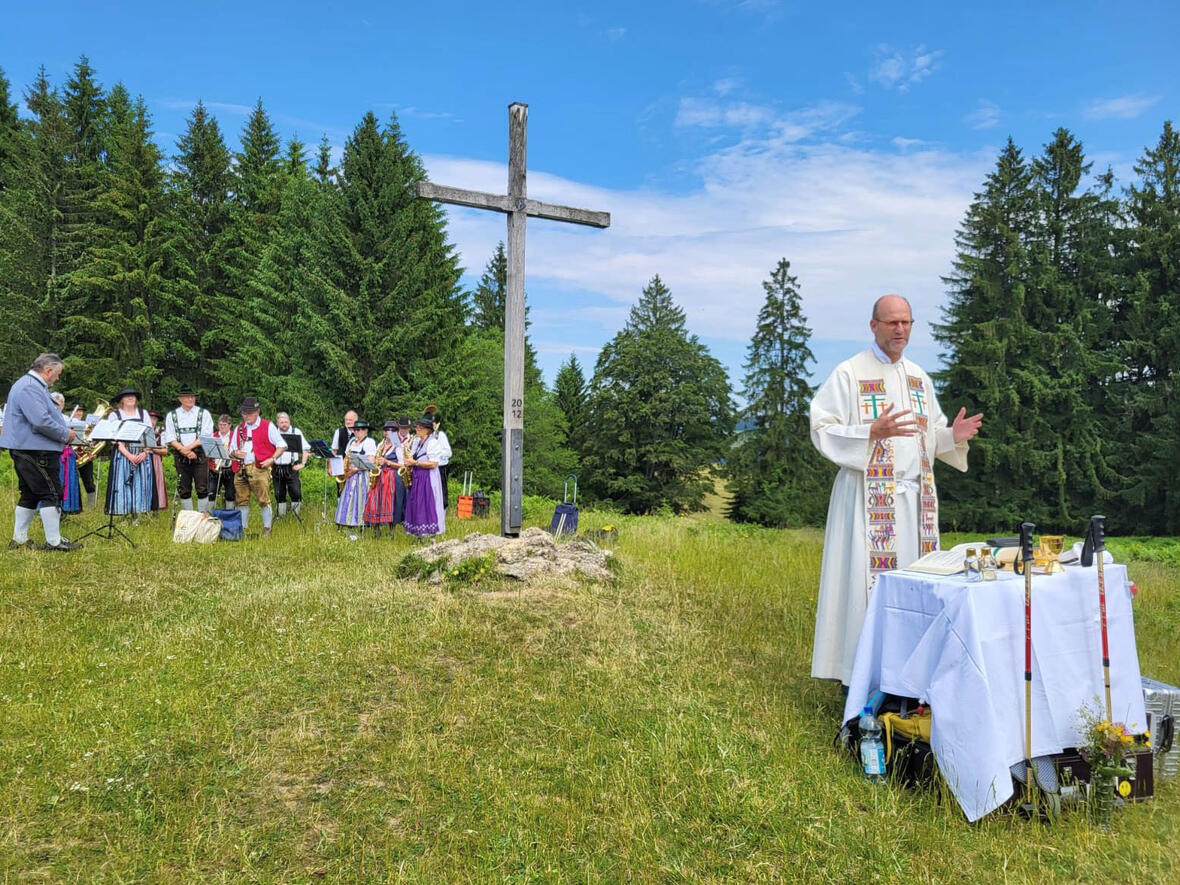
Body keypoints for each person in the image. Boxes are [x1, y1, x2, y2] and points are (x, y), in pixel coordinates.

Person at [809, 294, 983, 686]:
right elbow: (822, 429)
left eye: (906, 322)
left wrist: (950, 436)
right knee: (861, 591)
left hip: (915, 507)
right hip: (866, 504)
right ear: (874, 326)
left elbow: (925, 440)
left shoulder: (919, 378)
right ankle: (857, 680)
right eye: (891, 323)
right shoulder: (850, 373)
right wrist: (869, 432)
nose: (900, 329)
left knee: (914, 589)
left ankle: (908, 678)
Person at [0, 353, 81, 551]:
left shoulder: (28, 385)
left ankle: (19, 540)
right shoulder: (30, 387)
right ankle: (54, 541)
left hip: (28, 448)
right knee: (51, 493)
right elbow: (41, 421)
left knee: (29, 494)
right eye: (58, 373)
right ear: (48, 370)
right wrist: (65, 435)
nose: (58, 378)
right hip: (36, 450)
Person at [229, 396, 286, 537]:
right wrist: (235, 453)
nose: (246, 416)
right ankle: (243, 529)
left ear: (257, 412)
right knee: (241, 500)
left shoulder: (267, 425)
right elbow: (230, 451)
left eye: (249, 413)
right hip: (240, 467)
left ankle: (267, 530)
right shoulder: (239, 428)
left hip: (259, 467)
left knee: (263, 499)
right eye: (244, 413)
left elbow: (282, 445)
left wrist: (271, 459)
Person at [103, 386, 156, 518]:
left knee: (141, 483)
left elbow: (150, 436)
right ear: (121, 400)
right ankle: (123, 511)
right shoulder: (115, 415)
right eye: (127, 396)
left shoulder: (144, 414)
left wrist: (144, 453)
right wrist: (129, 455)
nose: (130, 398)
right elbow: (115, 439)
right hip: (123, 453)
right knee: (123, 483)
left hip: (142, 452)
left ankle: (138, 513)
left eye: (133, 395)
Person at [163, 385, 213, 512]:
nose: (191, 399)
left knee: (202, 487)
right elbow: (170, 437)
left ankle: (202, 518)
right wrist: (183, 451)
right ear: (180, 399)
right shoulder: (172, 415)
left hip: (200, 454)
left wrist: (189, 449)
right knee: (184, 488)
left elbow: (206, 435)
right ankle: (188, 519)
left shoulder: (204, 414)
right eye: (187, 397)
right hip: (180, 455)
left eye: (192, 396)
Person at [403, 414, 446, 538]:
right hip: (417, 476)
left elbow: (433, 463)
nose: (417, 429)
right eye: (416, 427)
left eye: (420, 428)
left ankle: (430, 535)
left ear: (427, 430)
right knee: (416, 505)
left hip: (427, 477)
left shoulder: (432, 443)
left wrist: (415, 462)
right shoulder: (416, 442)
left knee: (427, 504)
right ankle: (418, 534)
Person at [335, 420, 376, 529]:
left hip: (362, 476)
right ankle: (346, 521)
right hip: (350, 475)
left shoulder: (369, 442)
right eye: (355, 430)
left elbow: (371, 462)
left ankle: (361, 523)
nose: (356, 432)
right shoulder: (352, 442)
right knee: (347, 498)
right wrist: (344, 470)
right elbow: (347, 457)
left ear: (366, 431)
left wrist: (354, 470)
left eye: (359, 430)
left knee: (360, 499)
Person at [363, 420, 400, 535]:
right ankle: (376, 529)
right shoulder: (380, 444)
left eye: (391, 430)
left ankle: (391, 531)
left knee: (389, 503)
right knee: (375, 501)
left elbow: (403, 465)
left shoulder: (398, 446)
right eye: (386, 430)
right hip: (379, 475)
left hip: (391, 476)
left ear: (395, 433)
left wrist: (387, 462)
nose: (388, 433)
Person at [273, 411, 310, 518]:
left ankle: (296, 516)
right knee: (279, 493)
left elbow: (306, 448)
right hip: (277, 467)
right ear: (277, 423)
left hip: (291, 466)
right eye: (281, 422)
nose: (284, 424)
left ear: (289, 421)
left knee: (296, 491)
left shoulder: (295, 431)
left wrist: (303, 464)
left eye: (286, 422)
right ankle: (281, 516)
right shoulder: (273, 432)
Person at [51, 392, 83, 515]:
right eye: (53, 403)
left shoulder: (68, 419)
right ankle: (49, 509)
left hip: (66, 453)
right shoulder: (45, 417)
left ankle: (66, 508)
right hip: (52, 453)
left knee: (67, 481)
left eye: (58, 404)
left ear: (63, 406)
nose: (56, 407)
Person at [423, 404, 452, 509]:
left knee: (441, 493)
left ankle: (441, 514)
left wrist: (436, 453)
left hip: (440, 467)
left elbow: (448, 452)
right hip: (428, 467)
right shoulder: (424, 438)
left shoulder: (440, 435)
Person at [207, 414, 236, 510]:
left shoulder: (234, 436)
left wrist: (231, 453)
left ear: (230, 425)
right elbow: (208, 452)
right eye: (220, 425)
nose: (222, 427)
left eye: (224, 425)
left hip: (230, 469)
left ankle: (229, 514)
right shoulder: (213, 436)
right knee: (211, 493)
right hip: (215, 469)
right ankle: (209, 514)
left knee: (230, 494)